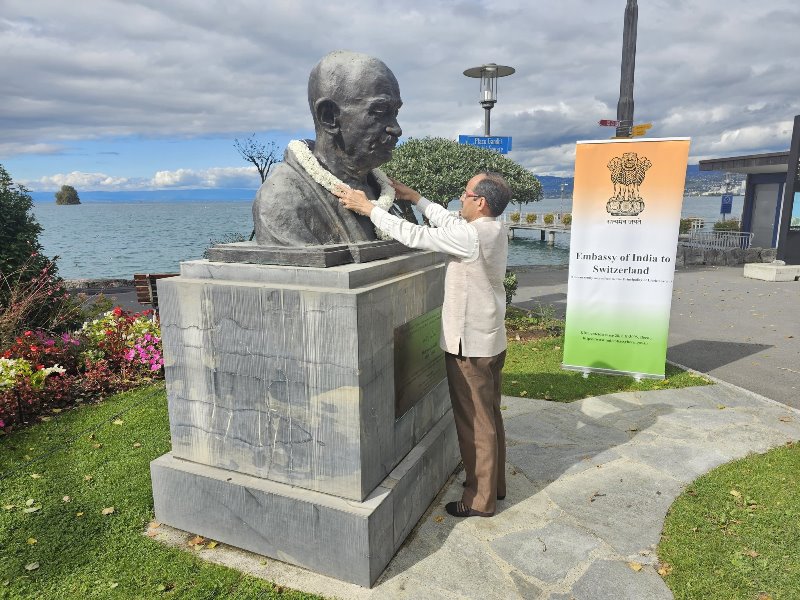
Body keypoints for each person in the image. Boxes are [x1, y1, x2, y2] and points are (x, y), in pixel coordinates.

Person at [335, 172, 512, 518]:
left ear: (481, 202)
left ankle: (479, 500)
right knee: (488, 416)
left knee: (475, 422)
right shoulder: (493, 227)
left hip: (469, 345)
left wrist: (368, 208)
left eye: (466, 193)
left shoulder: (470, 236)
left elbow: (415, 235)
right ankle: (493, 486)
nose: (461, 198)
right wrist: (414, 197)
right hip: (489, 339)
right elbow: (448, 220)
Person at [252, 50, 408, 246]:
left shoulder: (381, 190)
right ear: (329, 117)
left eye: (395, 113)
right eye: (379, 111)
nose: (396, 129)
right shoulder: (282, 199)